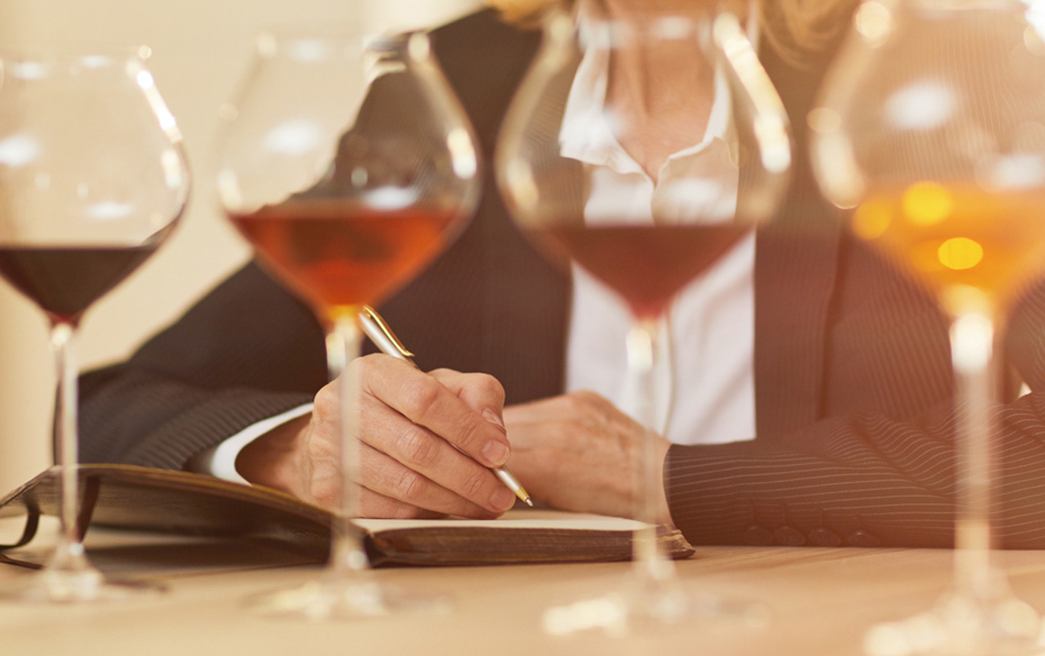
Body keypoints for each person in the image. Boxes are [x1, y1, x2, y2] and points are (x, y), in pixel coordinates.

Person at [79, 0, 1045, 549]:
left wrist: (669, 478)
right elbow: (111, 404)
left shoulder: (939, 63)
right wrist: (300, 453)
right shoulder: (458, 80)